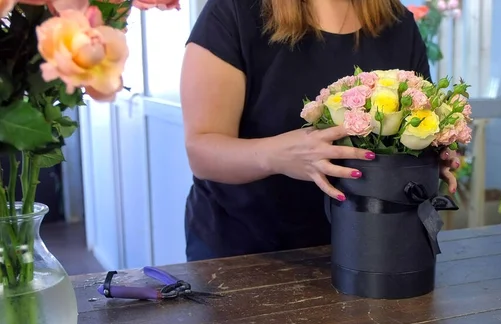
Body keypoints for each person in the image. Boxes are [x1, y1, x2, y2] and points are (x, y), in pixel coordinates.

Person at [180, 0, 461, 262]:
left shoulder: (397, 22)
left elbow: (416, 121)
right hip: (244, 254)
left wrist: (428, 155)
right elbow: (201, 151)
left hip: (367, 250)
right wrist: (278, 155)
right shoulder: (233, 11)